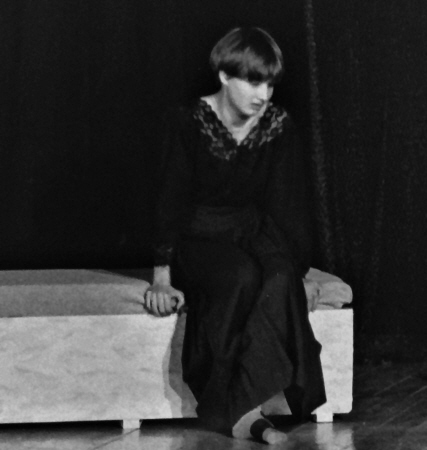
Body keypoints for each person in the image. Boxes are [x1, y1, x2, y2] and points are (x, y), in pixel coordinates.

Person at [144, 27, 326, 444]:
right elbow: (169, 199)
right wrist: (161, 276)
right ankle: (240, 413)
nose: (263, 94)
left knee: (279, 277)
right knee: (240, 276)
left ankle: (250, 403)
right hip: (197, 237)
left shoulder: (276, 125)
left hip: (251, 230)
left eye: (269, 84)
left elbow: (289, 203)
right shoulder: (189, 122)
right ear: (225, 76)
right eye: (253, 82)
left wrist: (299, 273)